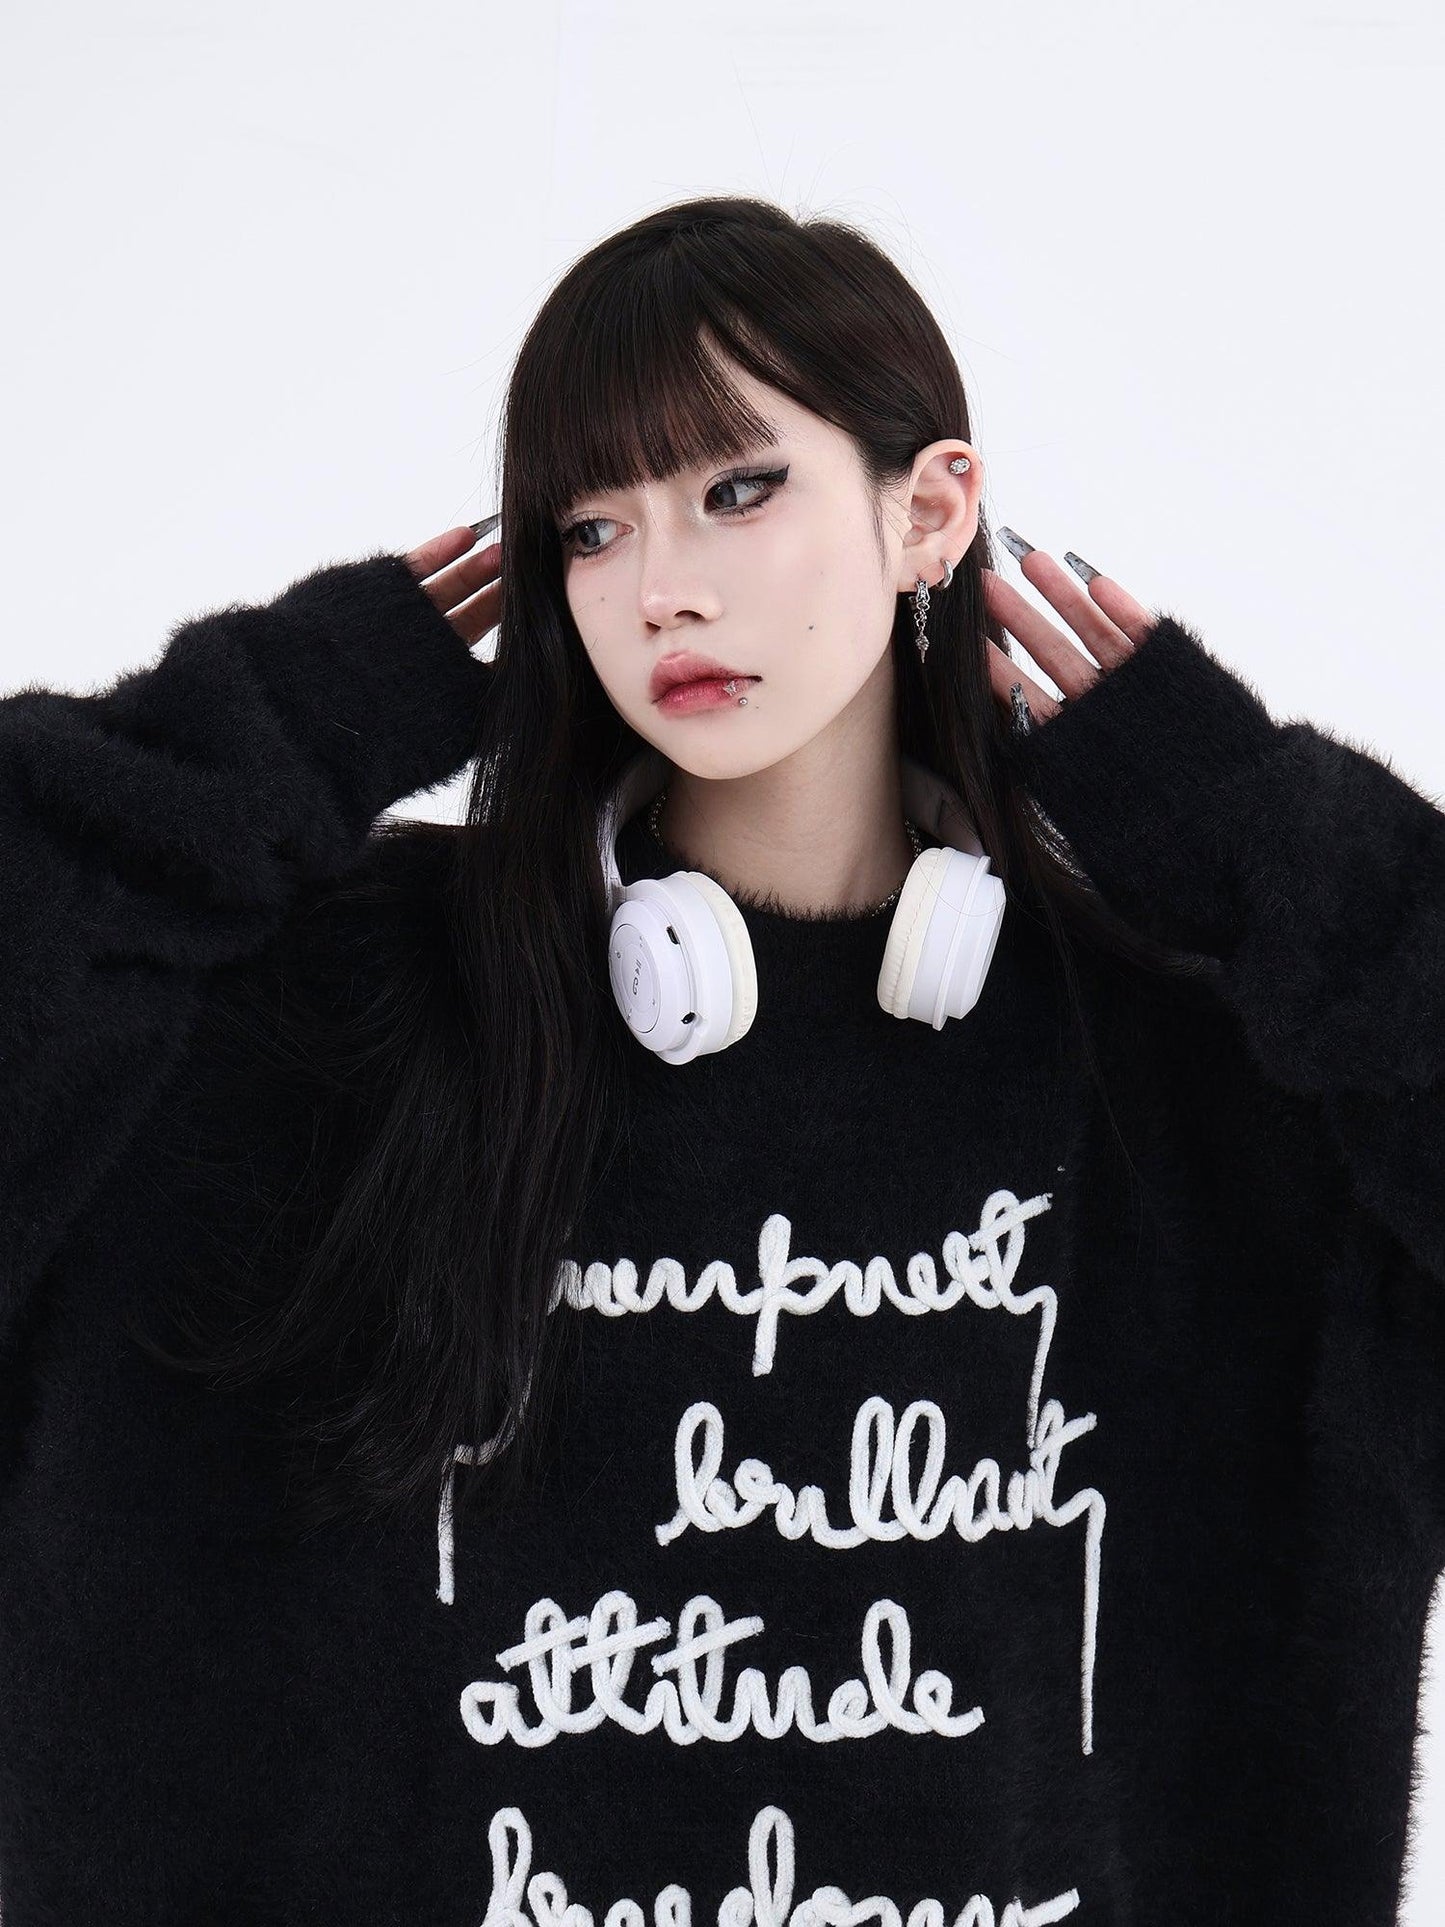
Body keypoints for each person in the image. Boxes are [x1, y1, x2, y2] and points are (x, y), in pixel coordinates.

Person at [1, 194, 1441, 1927]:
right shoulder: (323, 1016)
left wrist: (1265, 848)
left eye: (737, 489)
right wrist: (268, 731)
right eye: (591, 527)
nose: (658, 587)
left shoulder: (1205, 1072)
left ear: (929, 511)